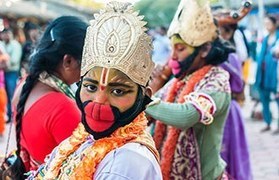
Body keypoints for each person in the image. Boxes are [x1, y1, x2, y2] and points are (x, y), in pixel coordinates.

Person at [27, 2, 162, 179]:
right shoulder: (83, 137)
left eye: (118, 91)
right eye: (91, 87)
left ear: (144, 98)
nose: (99, 101)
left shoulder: (125, 163)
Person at [145, 0, 233, 179]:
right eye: (172, 49)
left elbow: (186, 116)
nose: (173, 57)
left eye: (180, 49)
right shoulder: (179, 80)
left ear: (205, 49)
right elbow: (148, 115)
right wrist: (149, 84)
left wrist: (141, 99)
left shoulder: (217, 80)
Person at [10, 16, 88, 177]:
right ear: (68, 61)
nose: (88, 72)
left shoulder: (26, 83)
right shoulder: (62, 107)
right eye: (87, 63)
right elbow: (85, 169)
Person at [255, 15, 279, 132]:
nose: (267, 26)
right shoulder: (265, 39)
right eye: (265, 24)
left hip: (275, 74)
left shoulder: (278, 37)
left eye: (269, 23)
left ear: (275, 24)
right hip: (264, 73)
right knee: (264, 98)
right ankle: (267, 122)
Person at [0, 28, 22, 123]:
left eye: (8, 33)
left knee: (12, 95)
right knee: (6, 95)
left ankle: (15, 115)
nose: (6, 36)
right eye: (4, 34)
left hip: (12, 73)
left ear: (11, 34)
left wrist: (4, 61)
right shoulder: (3, 44)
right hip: (4, 73)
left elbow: (14, 60)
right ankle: (9, 115)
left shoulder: (15, 45)